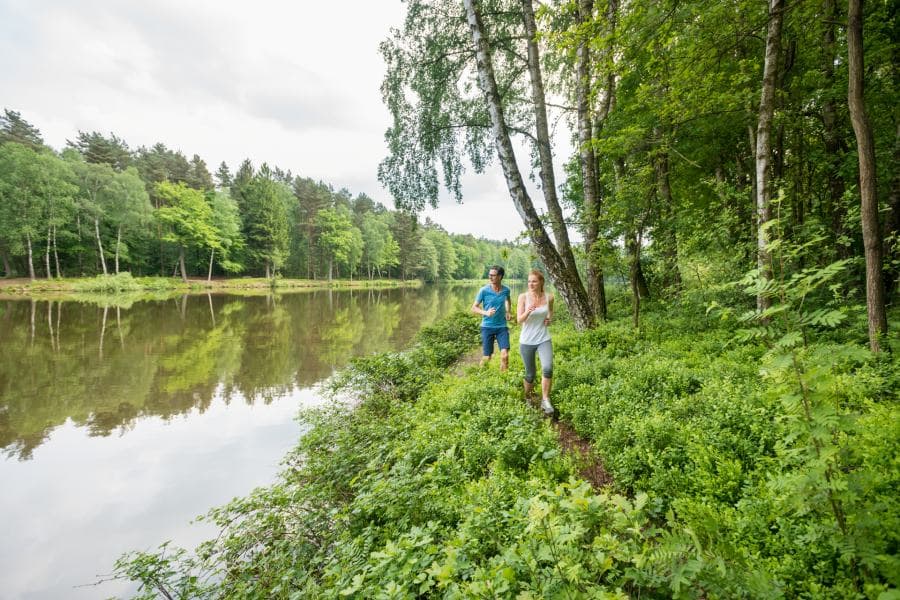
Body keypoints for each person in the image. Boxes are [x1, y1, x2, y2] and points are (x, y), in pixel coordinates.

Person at [517, 269, 555, 416]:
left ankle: (545, 400)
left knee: (547, 368)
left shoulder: (549, 297)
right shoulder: (523, 297)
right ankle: (528, 397)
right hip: (526, 341)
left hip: (544, 338)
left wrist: (549, 318)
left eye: (534, 281)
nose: (531, 284)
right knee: (530, 374)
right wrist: (528, 311)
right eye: (529, 281)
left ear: (541, 282)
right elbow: (519, 319)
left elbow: (550, 311)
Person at [472, 265, 513, 371]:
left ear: (500, 276)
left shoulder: (506, 290)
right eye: (489, 275)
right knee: (487, 357)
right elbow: (474, 308)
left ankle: (503, 380)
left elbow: (508, 300)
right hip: (487, 327)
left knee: (505, 355)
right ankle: (480, 376)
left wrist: (508, 311)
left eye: (493, 275)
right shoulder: (484, 290)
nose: (490, 277)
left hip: (502, 327)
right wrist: (486, 312)